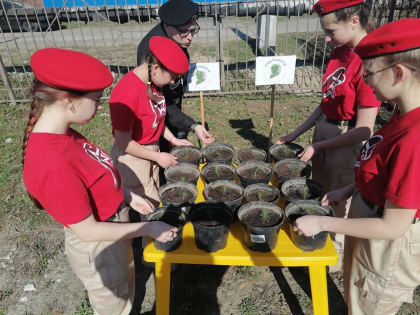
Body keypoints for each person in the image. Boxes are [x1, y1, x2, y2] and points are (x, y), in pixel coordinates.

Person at [22, 48, 178, 315]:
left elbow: (94, 178)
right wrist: (148, 230)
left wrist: (127, 195)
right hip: (100, 246)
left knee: (125, 293)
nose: (100, 105)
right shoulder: (51, 163)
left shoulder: (66, 134)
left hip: (113, 234)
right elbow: (88, 231)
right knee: (114, 307)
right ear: (69, 100)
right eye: (95, 99)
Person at [293, 17, 420, 315]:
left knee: (368, 304)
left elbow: (393, 225)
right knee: (357, 298)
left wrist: (322, 223)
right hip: (368, 228)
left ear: (398, 73)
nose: (364, 81)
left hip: (385, 247)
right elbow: (383, 172)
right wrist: (350, 188)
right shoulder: (401, 118)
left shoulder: (415, 137)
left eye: (370, 73)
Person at [275, 0, 381, 267]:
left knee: (338, 195)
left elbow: (364, 129)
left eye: (331, 30)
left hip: (345, 139)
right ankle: (317, 237)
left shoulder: (369, 61)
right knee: (321, 189)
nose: (326, 37)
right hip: (326, 130)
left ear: (354, 22)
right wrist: (295, 133)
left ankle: (335, 252)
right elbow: (325, 103)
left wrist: (321, 147)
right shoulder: (339, 51)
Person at [110, 36, 192, 208]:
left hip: (151, 151)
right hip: (133, 157)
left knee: (154, 196)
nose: (172, 82)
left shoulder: (152, 82)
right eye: (173, 77)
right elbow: (123, 142)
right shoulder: (127, 94)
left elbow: (157, 118)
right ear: (156, 67)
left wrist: (173, 140)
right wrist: (156, 156)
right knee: (149, 207)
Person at [137, 0, 215, 158]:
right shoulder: (150, 54)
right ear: (167, 26)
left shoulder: (178, 38)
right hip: (160, 110)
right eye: (185, 32)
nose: (190, 38)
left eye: (193, 31)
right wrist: (192, 125)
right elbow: (160, 102)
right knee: (164, 149)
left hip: (171, 100)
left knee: (177, 138)